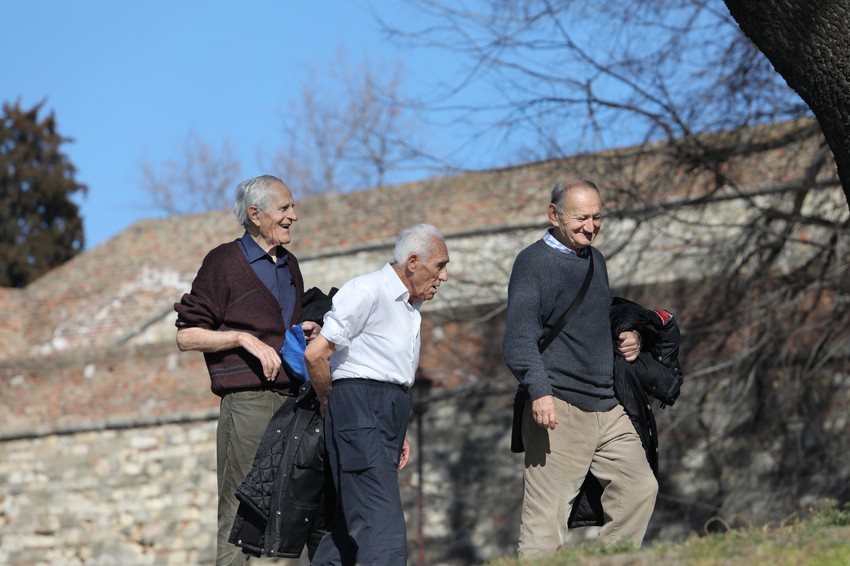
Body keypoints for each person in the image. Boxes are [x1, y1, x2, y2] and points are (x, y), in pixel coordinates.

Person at [502, 179, 658, 557]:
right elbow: (518, 339)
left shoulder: (595, 260)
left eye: (597, 217)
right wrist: (539, 391)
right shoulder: (532, 262)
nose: (591, 226)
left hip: (607, 405)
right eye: (581, 217)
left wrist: (628, 337)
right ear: (553, 215)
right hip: (559, 408)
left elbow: (594, 322)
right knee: (545, 527)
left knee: (640, 488)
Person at [173, 174, 320, 565]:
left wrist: (301, 331)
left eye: (292, 207)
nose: (294, 215)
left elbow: (278, 329)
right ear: (255, 214)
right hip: (247, 403)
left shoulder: (291, 266)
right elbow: (187, 336)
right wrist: (242, 339)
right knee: (241, 511)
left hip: (291, 403)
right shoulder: (223, 262)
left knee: (282, 513)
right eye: (284, 208)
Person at [304, 223, 450, 566]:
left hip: (384, 413)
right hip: (358, 408)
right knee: (382, 530)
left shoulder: (410, 306)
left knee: (347, 532)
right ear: (413, 262)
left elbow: (389, 372)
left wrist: (396, 429)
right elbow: (315, 355)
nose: (444, 276)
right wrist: (331, 405)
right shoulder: (367, 289)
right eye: (440, 265)